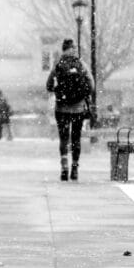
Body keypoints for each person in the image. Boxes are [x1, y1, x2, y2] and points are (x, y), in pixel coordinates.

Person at [46, 38, 94, 181]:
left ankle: (64, 167)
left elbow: (48, 85)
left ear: (63, 49)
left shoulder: (58, 64)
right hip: (78, 108)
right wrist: (83, 95)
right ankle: (75, 168)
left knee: (64, 138)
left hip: (62, 108)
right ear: (72, 49)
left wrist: (59, 91)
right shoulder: (81, 64)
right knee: (76, 138)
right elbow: (91, 84)